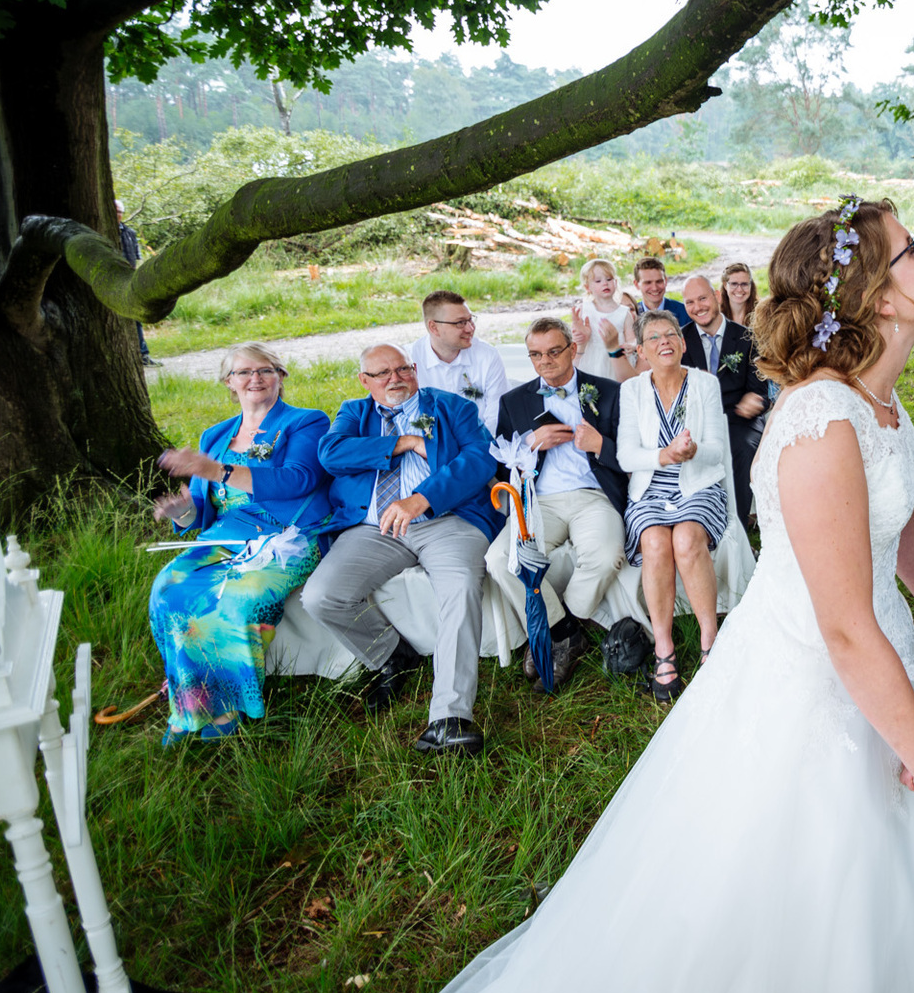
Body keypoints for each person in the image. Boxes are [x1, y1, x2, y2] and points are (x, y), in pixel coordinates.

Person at [371, 198, 914, 993]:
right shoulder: (820, 421)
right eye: (912, 248)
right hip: (815, 673)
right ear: (875, 294)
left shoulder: (882, 407)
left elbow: (894, 515)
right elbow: (842, 628)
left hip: (884, 645)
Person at [301, 344, 500, 756]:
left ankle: (450, 717)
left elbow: (481, 460)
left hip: (449, 521)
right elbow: (331, 454)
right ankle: (392, 654)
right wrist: (404, 443)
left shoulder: (451, 408)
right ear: (365, 382)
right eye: (383, 373)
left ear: (414, 370)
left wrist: (422, 497)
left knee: (461, 588)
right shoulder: (355, 413)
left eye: (403, 368)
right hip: (376, 529)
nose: (396, 378)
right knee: (321, 597)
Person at [148, 343, 330, 743]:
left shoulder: (306, 423)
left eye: (265, 370)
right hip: (225, 537)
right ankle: (189, 699)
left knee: (237, 599)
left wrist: (214, 469)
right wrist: (182, 512)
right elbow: (204, 513)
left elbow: (298, 480)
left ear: (280, 377)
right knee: (167, 591)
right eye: (243, 373)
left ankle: (227, 707)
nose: (255, 379)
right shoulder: (214, 436)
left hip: (286, 537)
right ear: (229, 384)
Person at [488, 317, 629, 691]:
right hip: (541, 501)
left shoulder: (609, 392)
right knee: (499, 558)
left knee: (606, 555)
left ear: (572, 349)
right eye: (535, 355)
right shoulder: (513, 401)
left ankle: (562, 623)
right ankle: (564, 631)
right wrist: (529, 443)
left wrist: (600, 445)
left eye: (553, 352)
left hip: (593, 497)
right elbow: (501, 465)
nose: (545, 361)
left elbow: (631, 457)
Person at [617, 310, 730, 701]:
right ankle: (663, 647)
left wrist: (693, 451)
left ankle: (709, 638)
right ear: (642, 351)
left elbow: (716, 452)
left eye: (671, 335)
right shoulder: (631, 391)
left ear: (683, 344)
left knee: (685, 540)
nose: (664, 341)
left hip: (699, 484)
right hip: (650, 488)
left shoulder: (705, 384)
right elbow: (627, 456)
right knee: (654, 543)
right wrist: (663, 456)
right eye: (654, 338)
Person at [679, 274, 767, 530]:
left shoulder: (747, 337)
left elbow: (761, 390)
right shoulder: (680, 341)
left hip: (739, 418)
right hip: (696, 419)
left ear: (717, 297)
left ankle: (736, 528)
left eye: (703, 298)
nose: (697, 307)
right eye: (690, 302)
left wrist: (755, 400)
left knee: (741, 447)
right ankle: (699, 522)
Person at [408, 290, 509, 432]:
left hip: (480, 444)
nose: (470, 328)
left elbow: (496, 417)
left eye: (470, 320)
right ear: (434, 327)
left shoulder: (487, 356)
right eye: (460, 323)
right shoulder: (408, 360)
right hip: (428, 446)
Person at [569, 258, 643, 381]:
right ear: (588, 287)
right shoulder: (584, 309)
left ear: (615, 282)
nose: (605, 283)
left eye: (609, 279)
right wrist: (578, 336)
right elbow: (575, 337)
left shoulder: (624, 312)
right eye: (598, 281)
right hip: (591, 361)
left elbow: (632, 338)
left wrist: (631, 345)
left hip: (615, 363)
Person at [116, 200, 161, 367]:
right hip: (111, 281)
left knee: (135, 318)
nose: (117, 214)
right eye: (114, 210)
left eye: (119, 211)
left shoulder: (129, 233)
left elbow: (135, 258)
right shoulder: (104, 232)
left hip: (128, 281)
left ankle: (143, 355)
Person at [631, 256, 688, 327]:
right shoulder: (631, 315)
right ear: (636, 284)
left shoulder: (684, 312)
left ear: (665, 281)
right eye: (648, 283)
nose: (654, 288)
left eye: (659, 281)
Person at [718, 260, 759, 326]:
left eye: (744, 284)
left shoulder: (761, 315)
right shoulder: (716, 315)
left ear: (751, 285)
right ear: (725, 285)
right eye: (734, 284)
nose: (739, 289)